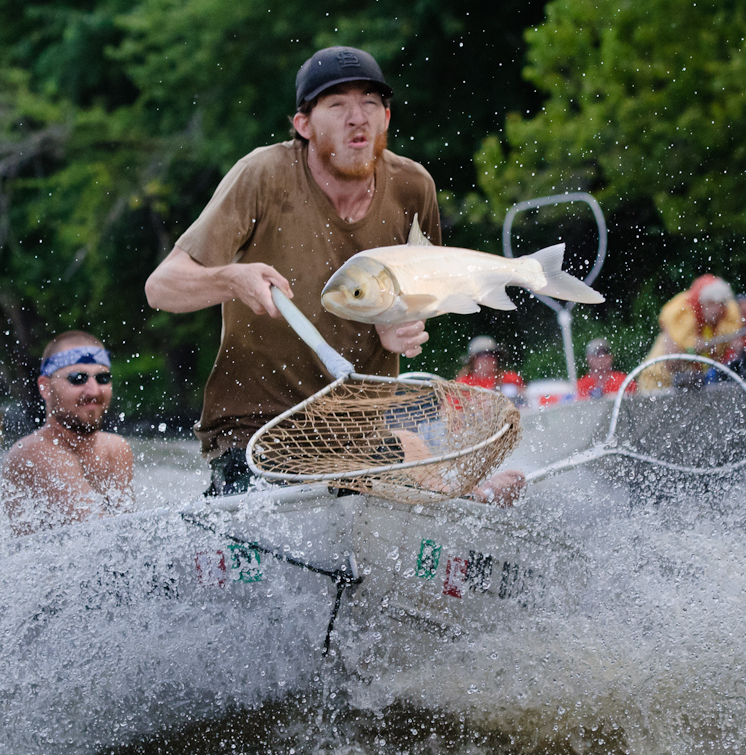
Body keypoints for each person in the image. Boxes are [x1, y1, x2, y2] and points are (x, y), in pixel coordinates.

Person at [144, 46, 523, 505]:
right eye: (337, 104)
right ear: (304, 124)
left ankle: (472, 497)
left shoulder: (413, 185)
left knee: (463, 499)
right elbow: (160, 288)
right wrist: (230, 279)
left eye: (369, 102)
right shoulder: (261, 175)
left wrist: (398, 321)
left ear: (385, 117)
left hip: (357, 430)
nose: (356, 117)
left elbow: (427, 290)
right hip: (256, 431)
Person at [2, 331, 133, 536]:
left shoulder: (116, 448)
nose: (94, 390)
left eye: (102, 378)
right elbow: (99, 537)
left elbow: (127, 536)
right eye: (77, 378)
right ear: (45, 387)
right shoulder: (32, 453)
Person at [637, 274, 743, 391]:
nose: (716, 310)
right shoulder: (681, 315)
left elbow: (733, 355)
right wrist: (693, 349)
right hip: (657, 383)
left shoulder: (726, 319)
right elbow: (671, 363)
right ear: (700, 303)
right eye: (711, 304)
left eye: (720, 304)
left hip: (690, 387)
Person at [455, 336, 525, 404]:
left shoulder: (510, 378)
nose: (488, 358)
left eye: (492, 354)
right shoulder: (462, 385)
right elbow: (452, 411)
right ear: (473, 360)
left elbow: (527, 399)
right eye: (483, 354)